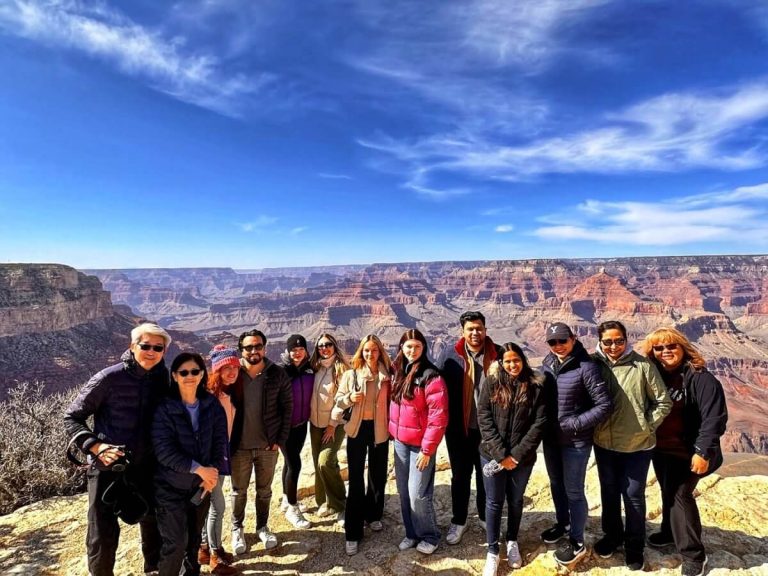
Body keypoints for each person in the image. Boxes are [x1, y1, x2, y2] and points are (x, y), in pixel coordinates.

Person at [64, 322, 171, 576]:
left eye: (159, 348)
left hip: (147, 463)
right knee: (102, 530)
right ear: (132, 346)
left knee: (153, 520)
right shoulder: (108, 378)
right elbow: (71, 417)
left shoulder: (161, 377)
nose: (152, 352)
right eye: (145, 346)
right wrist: (96, 446)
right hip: (108, 466)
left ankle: (153, 569)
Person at [642, 327, 728, 576]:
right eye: (659, 348)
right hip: (662, 448)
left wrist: (703, 452)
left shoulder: (700, 378)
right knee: (667, 490)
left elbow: (714, 419)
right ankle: (670, 533)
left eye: (671, 346)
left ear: (683, 348)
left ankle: (694, 555)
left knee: (680, 495)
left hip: (691, 451)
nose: (665, 351)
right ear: (652, 352)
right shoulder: (654, 373)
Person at [592, 321, 672, 571]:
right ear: (600, 342)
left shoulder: (642, 366)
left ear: (626, 340)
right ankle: (612, 537)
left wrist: (646, 427)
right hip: (604, 442)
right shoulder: (594, 364)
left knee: (634, 496)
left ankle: (635, 546)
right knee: (609, 492)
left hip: (638, 445)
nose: (613, 346)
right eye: (608, 341)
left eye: (619, 340)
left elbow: (663, 402)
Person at [540, 322, 612, 567]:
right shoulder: (548, 364)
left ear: (573, 338)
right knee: (556, 484)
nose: (558, 346)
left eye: (562, 340)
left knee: (574, 491)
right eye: (553, 342)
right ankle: (563, 524)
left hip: (575, 442)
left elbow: (604, 405)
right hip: (551, 439)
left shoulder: (587, 367)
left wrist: (575, 423)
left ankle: (577, 541)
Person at [152, 352, 228, 576]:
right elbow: (163, 451)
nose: (189, 376)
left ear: (202, 374)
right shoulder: (165, 408)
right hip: (170, 487)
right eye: (183, 372)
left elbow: (219, 442)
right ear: (174, 376)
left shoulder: (211, 405)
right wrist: (199, 469)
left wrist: (211, 477)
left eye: (195, 371)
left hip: (200, 487)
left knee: (193, 542)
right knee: (175, 543)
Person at [478, 342, 547, 575]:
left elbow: (539, 424)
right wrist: (501, 455)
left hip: (522, 459)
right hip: (491, 455)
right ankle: (492, 551)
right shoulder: (492, 382)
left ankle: (512, 541)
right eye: (507, 361)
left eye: (516, 360)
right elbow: (484, 417)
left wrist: (515, 456)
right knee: (494, 502)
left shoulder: (536, 386)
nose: (512, 364)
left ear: (523, 360)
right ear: (501, 362)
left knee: (516, 501)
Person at [442, 311, 503, 545]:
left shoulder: (498, 354)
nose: (475, 333)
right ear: (463, 332)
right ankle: (459, 520)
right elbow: (436, 386)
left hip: (489, 430)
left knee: (485, 475)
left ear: (485, 329)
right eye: (470, 329)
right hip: (459, 428)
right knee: (459, 476)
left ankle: (485, 518)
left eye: (479, 328)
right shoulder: (450, 355)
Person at [229, 329, 292, 554]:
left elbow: (287, 408)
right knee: (239, 491)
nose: (254, 351)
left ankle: (262, 526)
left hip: (268, 446)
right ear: (241, 350)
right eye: (248, 347)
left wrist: (279, 440)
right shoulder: (232, 373)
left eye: (258, 346)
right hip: (239, 447)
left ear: (264, 348)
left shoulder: (276, 373)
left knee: (264, 490)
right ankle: (237, 528)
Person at [388, 329, 448, 555]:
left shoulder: (431, 376)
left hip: (421, 447)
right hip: (400, 443)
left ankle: (430, 535)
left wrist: (427, 450)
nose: (412, 351)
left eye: (417, 347)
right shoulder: (397, 371)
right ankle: (411, 533)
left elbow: (438, 417)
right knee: (403, 492)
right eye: (408, 346)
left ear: (424, 349)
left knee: (418, 494)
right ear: (401, 347)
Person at [333, 334, 392, 556]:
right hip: (358, 429)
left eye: (374, 350)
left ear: (380, 352)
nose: (370, 354)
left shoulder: (387, 375)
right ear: (361, 352)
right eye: (366, 350)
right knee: (356, 480)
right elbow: (338, 401)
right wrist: (350, 398)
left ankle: (374, 515)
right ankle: (353, 533)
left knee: (378, 475)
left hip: (380, 429)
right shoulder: (351, 375)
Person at [198, 346, 241, 575]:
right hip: (211, 462)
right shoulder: (208, 398)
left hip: (220, 458)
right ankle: (215, 557)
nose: (232, 372)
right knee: (218, 507)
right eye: (227, 368)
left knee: (211, 506)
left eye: (235, 367)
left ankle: (205, 549)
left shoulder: (225, 393)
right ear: (217, 370)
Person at [308, 333, 350, 520]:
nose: (324, 348)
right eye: (320, 346)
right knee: (319, 463)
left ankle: (340, 504)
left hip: (335, 424)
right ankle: (324, 501)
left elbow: (342, 402)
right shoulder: (314, 368)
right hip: (315, 424)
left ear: (334, 346)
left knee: (326, 461)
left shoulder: (341, 369)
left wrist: (332, 425)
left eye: (328, 345)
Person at [279, 334, 314, 529]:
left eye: (300, 349)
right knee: (295, 464)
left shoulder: (310, 368)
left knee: (288, 462)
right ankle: (293, 508)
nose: (297, 353)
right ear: (288, 351)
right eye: (293, 350)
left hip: (302, 425)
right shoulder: (282, 371)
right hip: (285, 428)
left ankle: (286, 499)